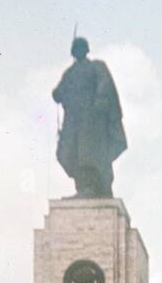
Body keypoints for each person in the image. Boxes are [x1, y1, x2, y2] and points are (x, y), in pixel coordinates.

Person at [52, 36, 127, 198]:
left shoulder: (96, 66)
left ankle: (91, 188)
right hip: (73, 120)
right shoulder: (70, 73)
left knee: (89, 154)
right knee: (71, 151)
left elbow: (104, 84)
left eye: (81, 48)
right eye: (76, 48)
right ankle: (82, 188)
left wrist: (100, 101)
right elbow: (60, 91)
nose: (79, 51)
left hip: (91, 120)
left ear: (86, 50)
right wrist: (57, 93)